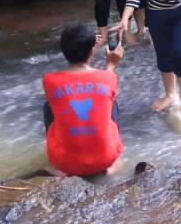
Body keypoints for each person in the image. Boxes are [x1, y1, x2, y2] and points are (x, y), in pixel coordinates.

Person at [42, 22, 125, 177]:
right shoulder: (108, 77)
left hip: (65, 164)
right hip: (105, 160)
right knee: (110, 102)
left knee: (49, 105)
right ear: (92, 51)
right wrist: (111, 64)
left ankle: (55, 166)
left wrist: (90, 46)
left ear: (63, 51)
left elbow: (75, 87)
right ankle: (115, 162)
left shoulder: (49, 81)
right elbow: (100, 89)